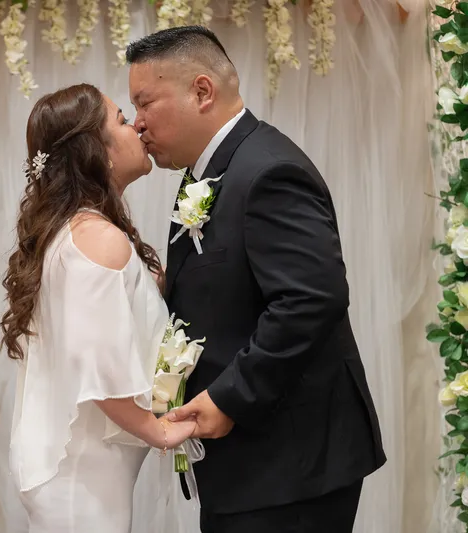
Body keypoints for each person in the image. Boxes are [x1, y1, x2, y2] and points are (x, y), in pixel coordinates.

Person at [126, 26, 387, 533]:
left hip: (291, 466)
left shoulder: (268, 170)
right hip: (254, 464)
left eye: (144, 103)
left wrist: (229, 397)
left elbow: (311, 299)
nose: (137, 124)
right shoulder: (208, 171)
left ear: (202, 92)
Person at [0, 83, 196, 533]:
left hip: (82, 470)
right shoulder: (96, 237)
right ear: (97, 151)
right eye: (123, 121)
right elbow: (98, 366)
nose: (138, 128)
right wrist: (161, 431)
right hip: (82, 478)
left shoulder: (80, 230)